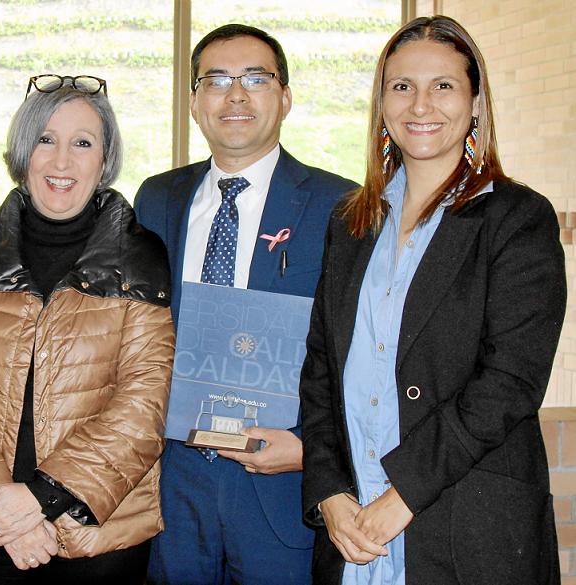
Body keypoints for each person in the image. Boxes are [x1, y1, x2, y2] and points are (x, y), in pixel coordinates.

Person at [299, 15, 565, 585]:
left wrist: (404, 495)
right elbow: (320, 368)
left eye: (443, 85)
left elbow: (511, 380)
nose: (420, 105)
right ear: (382, 104)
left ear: (475, 103)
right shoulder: (350, 222)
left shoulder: (516, 218)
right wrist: (326, 489)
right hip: (351, 531)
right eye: (402, 86)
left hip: (467, 529)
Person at [0, 74, 175, 585]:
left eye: (82, 143)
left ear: (105, 158)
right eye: (45, 140)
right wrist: (5, 512)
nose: (61, 161)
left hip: (98, 529)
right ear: (22, 150)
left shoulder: (143, 257)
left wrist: (41, 499)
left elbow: (142, 408)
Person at [134, 24, 358, 585]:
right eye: (217, 80)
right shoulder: (157, 198)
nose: (236, 95)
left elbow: (363, 350)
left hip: (281, 481)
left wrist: (314, 449)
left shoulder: (342, 205)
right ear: (193, 101)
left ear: (284, 97)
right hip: (174, 481)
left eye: (256, 79)